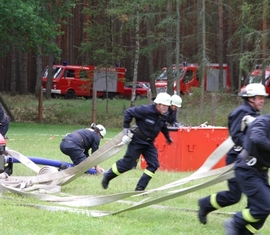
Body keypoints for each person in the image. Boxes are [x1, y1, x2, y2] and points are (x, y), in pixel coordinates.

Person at [198, 83, 268, 225]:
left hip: (254, 160)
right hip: (238, 157)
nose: (263, 101)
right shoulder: (242, 112)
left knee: (258, 195)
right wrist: (254, 145)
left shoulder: (254, 113)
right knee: (234, 196)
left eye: (263, 98)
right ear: (250, 98)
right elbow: (236, 136)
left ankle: (247, 226)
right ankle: (206, 204)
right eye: (260, 98)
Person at [101, 92, 173, 191]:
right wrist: (125, 128)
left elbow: (163, 126)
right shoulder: (145, 110)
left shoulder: (165, 114)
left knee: (154, 165)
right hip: (137, 140)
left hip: (149, 143)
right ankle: (108, 176)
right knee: (128, 164)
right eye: (164, 105)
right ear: (158, 104)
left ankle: (140, 188)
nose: (166, 108)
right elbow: (128, 112)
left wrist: (167, 137)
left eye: (167, 106)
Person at [224, 114, 270, 235]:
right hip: (247, 169)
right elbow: (257, 138)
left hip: (261, 172)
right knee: (265, 206)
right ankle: (235, 221)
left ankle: (245, 232)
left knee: (263, 209)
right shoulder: (264, 121)